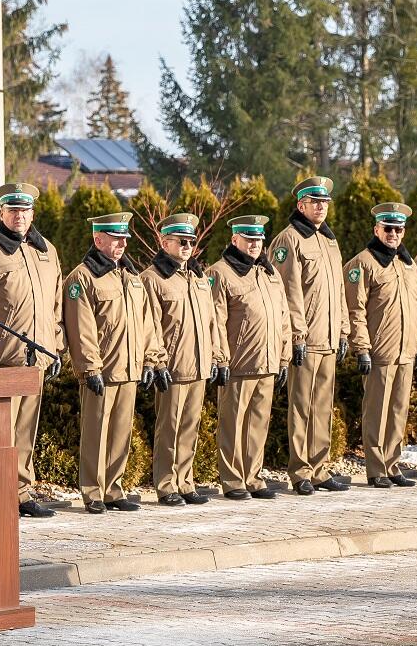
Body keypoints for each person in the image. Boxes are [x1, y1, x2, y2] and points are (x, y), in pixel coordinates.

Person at [0, 182, 64, 519]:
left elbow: (55, 304)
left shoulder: (46, 250)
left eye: (25, 210)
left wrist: (55, 347)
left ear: (32, 213)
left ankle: (21, 492)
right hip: (4, 360)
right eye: (13, 209)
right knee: (0, 434)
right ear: (2, 212)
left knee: (25, 432)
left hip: (36, 359)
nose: (19, 216)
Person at [63, 212, 165, 514]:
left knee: (121, 433)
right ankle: (92, 491)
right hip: (102, 370)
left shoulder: (131, 277)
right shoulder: (83, 277)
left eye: (124, 239)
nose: (122, 244)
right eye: (116, 238)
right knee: (96, 432)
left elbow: (147, 323)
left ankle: (113, 488)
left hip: (129, 368)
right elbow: (81, 327)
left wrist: (150, 359)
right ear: (98, 239)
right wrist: (90, 367)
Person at [269, 177, 351, 496]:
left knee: (322, 407)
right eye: (314, 202)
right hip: (306, 338)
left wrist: (342, 330)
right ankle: (301, 471)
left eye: (324, 202)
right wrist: (296, 336)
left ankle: (319, 468)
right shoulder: (289, 239)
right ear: (300, 205)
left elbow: (339, 290)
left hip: (328, 339)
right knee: (301, 406)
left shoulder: (329, 241)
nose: (320, 207)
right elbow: (288, 292)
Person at [207, 215, 291, 501]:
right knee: (233, 423)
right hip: (238, 362)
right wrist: (220, 358)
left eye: (258, 239)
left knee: (258, 424)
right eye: (248, 239)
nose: (254, 244)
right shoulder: (220, 273)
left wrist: (283, 357)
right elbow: (216, 320)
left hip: (267, 361)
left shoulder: (268, 273)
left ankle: (253, 477)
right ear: (235, 239)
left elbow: (283, 317)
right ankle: (233, 480)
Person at [140, 213, 219, 507]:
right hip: (172, 366)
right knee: (169, 428)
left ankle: (185, 482)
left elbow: (212, 321)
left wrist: (215, 356)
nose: (187, 247)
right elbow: (150, 325)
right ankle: (165, 485)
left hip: (198, 365)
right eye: (181, 241)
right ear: (165, 243)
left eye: (191, 242)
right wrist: (157, 361)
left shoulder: (199, 278)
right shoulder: (153, 278)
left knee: (190, 428)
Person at [344, 203, 417, 489]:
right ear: (376, 229)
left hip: (406, 350)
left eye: (398, 229)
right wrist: (362, 348)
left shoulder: (407, 264)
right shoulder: (363, 263)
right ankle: (376, 468)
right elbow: (355, 309)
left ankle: (392, 463)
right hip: (380, 350)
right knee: (377, 411)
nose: (393, 234)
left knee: (398, 410)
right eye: (388, 229)